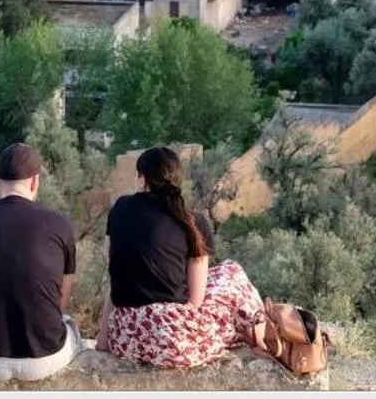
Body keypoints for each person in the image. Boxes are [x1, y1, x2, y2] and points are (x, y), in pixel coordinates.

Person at [99, 146, 268, 369]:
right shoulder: (193, 222)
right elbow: (195, 301)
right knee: (231, 271)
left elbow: (117, 277)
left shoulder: (119, 209)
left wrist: (102, 341)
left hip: (124, 338)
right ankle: (263, 341)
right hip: (172, 342)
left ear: (142, 179)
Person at [0, 143, 83, 382]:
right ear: (35, 182)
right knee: (69, 325)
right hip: (46, 359)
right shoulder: (60, 223)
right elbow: (63, 295)